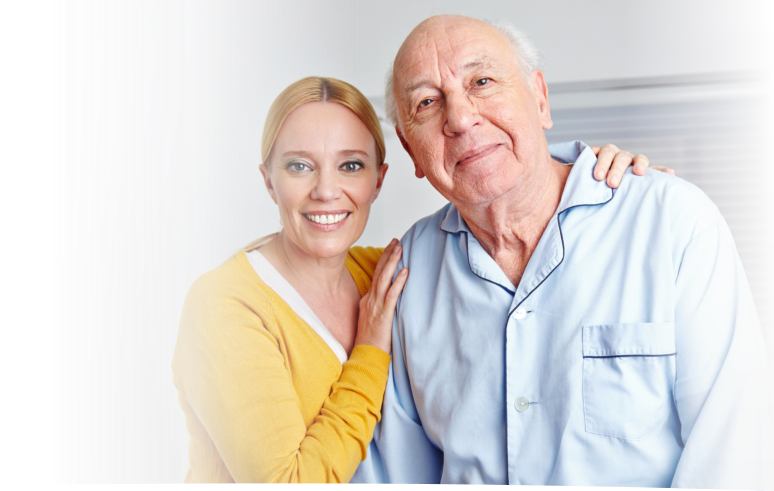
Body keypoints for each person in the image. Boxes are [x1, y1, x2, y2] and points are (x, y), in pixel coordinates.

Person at [171, 76, 664, 483]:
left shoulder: (389, 269)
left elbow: (502, 224)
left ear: (379, 180)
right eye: (299, 166)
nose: (326, 190)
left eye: (350, 165)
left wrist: (607, 185)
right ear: (268, 179)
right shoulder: (226, 304)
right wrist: (369, 353)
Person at [351, 15, 772, 488]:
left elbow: (732, 456)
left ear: (541, 99)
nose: (461, 118)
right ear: (410, 151)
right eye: (427, 102)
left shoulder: (673, 222)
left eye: (482, 81)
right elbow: (397, 473)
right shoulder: (407, 273)